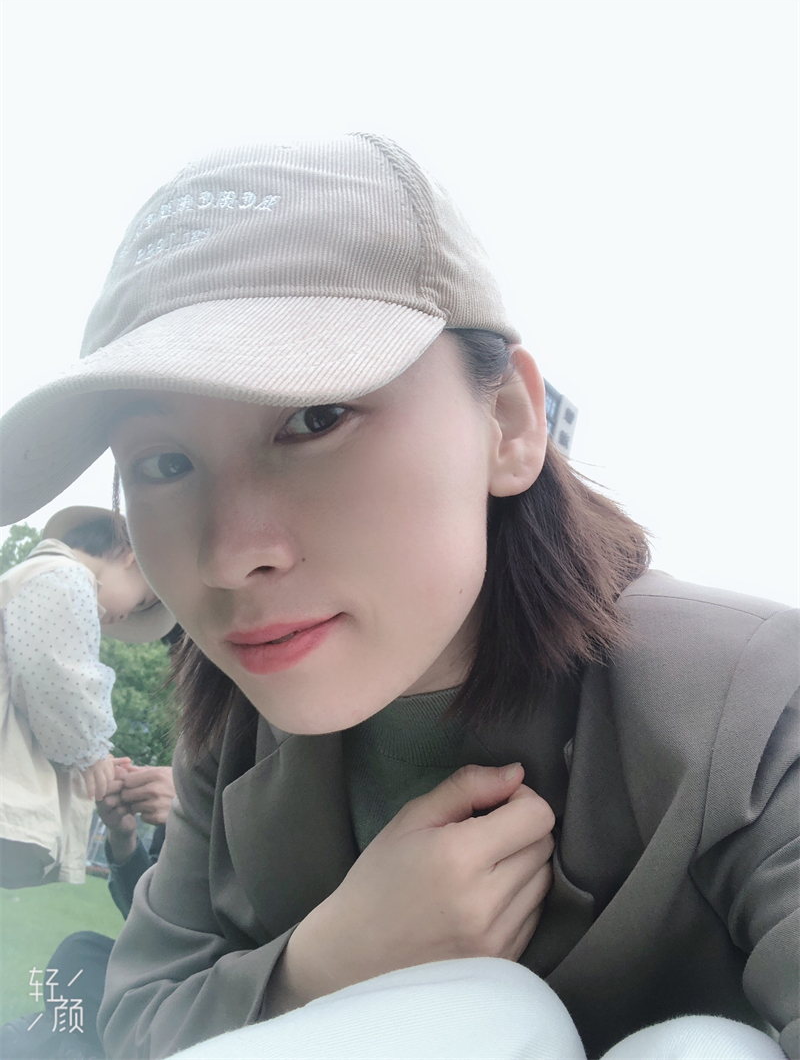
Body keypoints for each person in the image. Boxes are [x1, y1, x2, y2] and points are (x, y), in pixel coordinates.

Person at [0, 135, 796, 1060]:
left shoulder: (750, 708)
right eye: (164, 463)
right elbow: (135, 1016)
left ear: (508, 423)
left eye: (315, 417)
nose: (228, 556)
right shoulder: (231, 739)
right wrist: (323, 966)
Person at [0, 507, 174, 888]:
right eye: (142, 601)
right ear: (131, 558)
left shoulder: (37, 578)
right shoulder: (66, 578)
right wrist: (90, 752)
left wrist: (96, 757)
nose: (126, 616)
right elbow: (56, 673)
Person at [0, 761, 176, 1060]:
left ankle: (55, 1041)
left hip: (223, 991)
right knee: (78, 959)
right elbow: (155, 923)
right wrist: (123, 837)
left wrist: (197, 810)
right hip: (165, 980)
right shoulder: (196, 774)